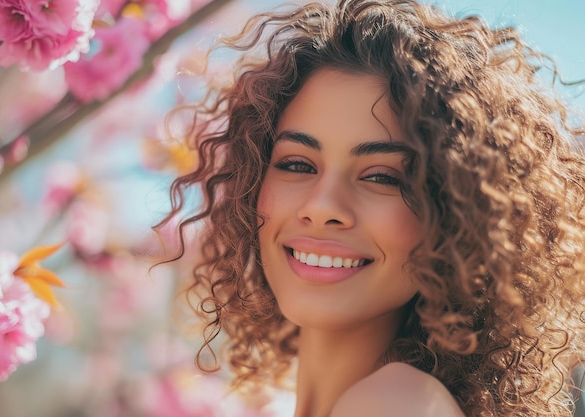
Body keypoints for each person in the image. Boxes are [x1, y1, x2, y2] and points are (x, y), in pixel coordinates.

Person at [157, 0, 585, 416]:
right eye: (297, 164)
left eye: (382, 176)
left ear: (459, 218)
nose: (322, 207)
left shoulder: (396, 404)